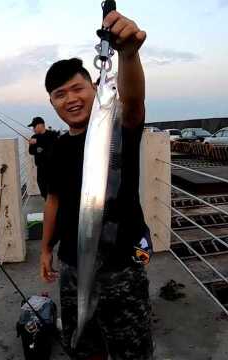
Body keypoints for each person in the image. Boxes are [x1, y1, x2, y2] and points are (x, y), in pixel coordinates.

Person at [39, 10, 153, 360]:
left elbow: (133, 103)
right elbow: (53, 201)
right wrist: (45, 249)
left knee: (130, 349)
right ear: (52, 103)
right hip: (73, 264)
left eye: (78, 88)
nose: (71, 98)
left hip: (123, 264)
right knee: (82, 342)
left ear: (95, 87)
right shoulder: (56, 148)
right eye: (60, 94)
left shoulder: (118, 128)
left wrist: (128, 54)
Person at [28, 116, 58, 199]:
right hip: (40, 170)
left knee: (54, 193)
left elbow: (52, 142)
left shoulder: (52, 134)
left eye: (34, 126)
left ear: (40, 125)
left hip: (52, 169)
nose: (33, 129)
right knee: (44, 192)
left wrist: (38, 142)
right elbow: (31, 151)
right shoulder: (34, 137)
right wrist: (37, 148)